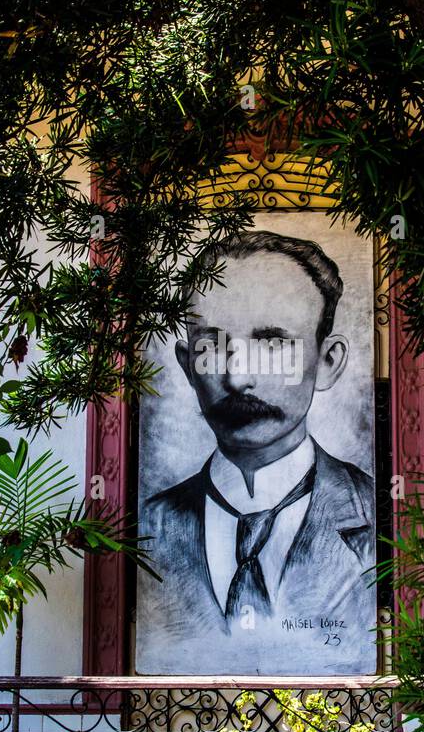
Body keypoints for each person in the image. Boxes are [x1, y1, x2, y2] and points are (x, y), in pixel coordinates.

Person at [136, 228, 376, 674]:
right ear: (189, 366)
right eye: (212, 346)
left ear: (328, 362)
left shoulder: (376, 514)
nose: (237, 377)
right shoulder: (147, 527)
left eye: (273, 344)